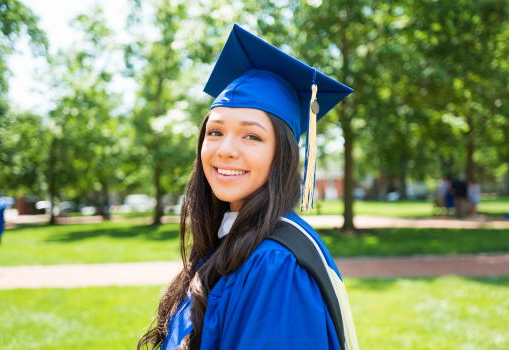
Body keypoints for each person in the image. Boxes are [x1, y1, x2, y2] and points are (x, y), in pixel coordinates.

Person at [138, 25, 356, 350]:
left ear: (282, 154)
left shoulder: (276, 267)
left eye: (251, 136)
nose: (225, 149)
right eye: (215, 132)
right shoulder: (230, 243)